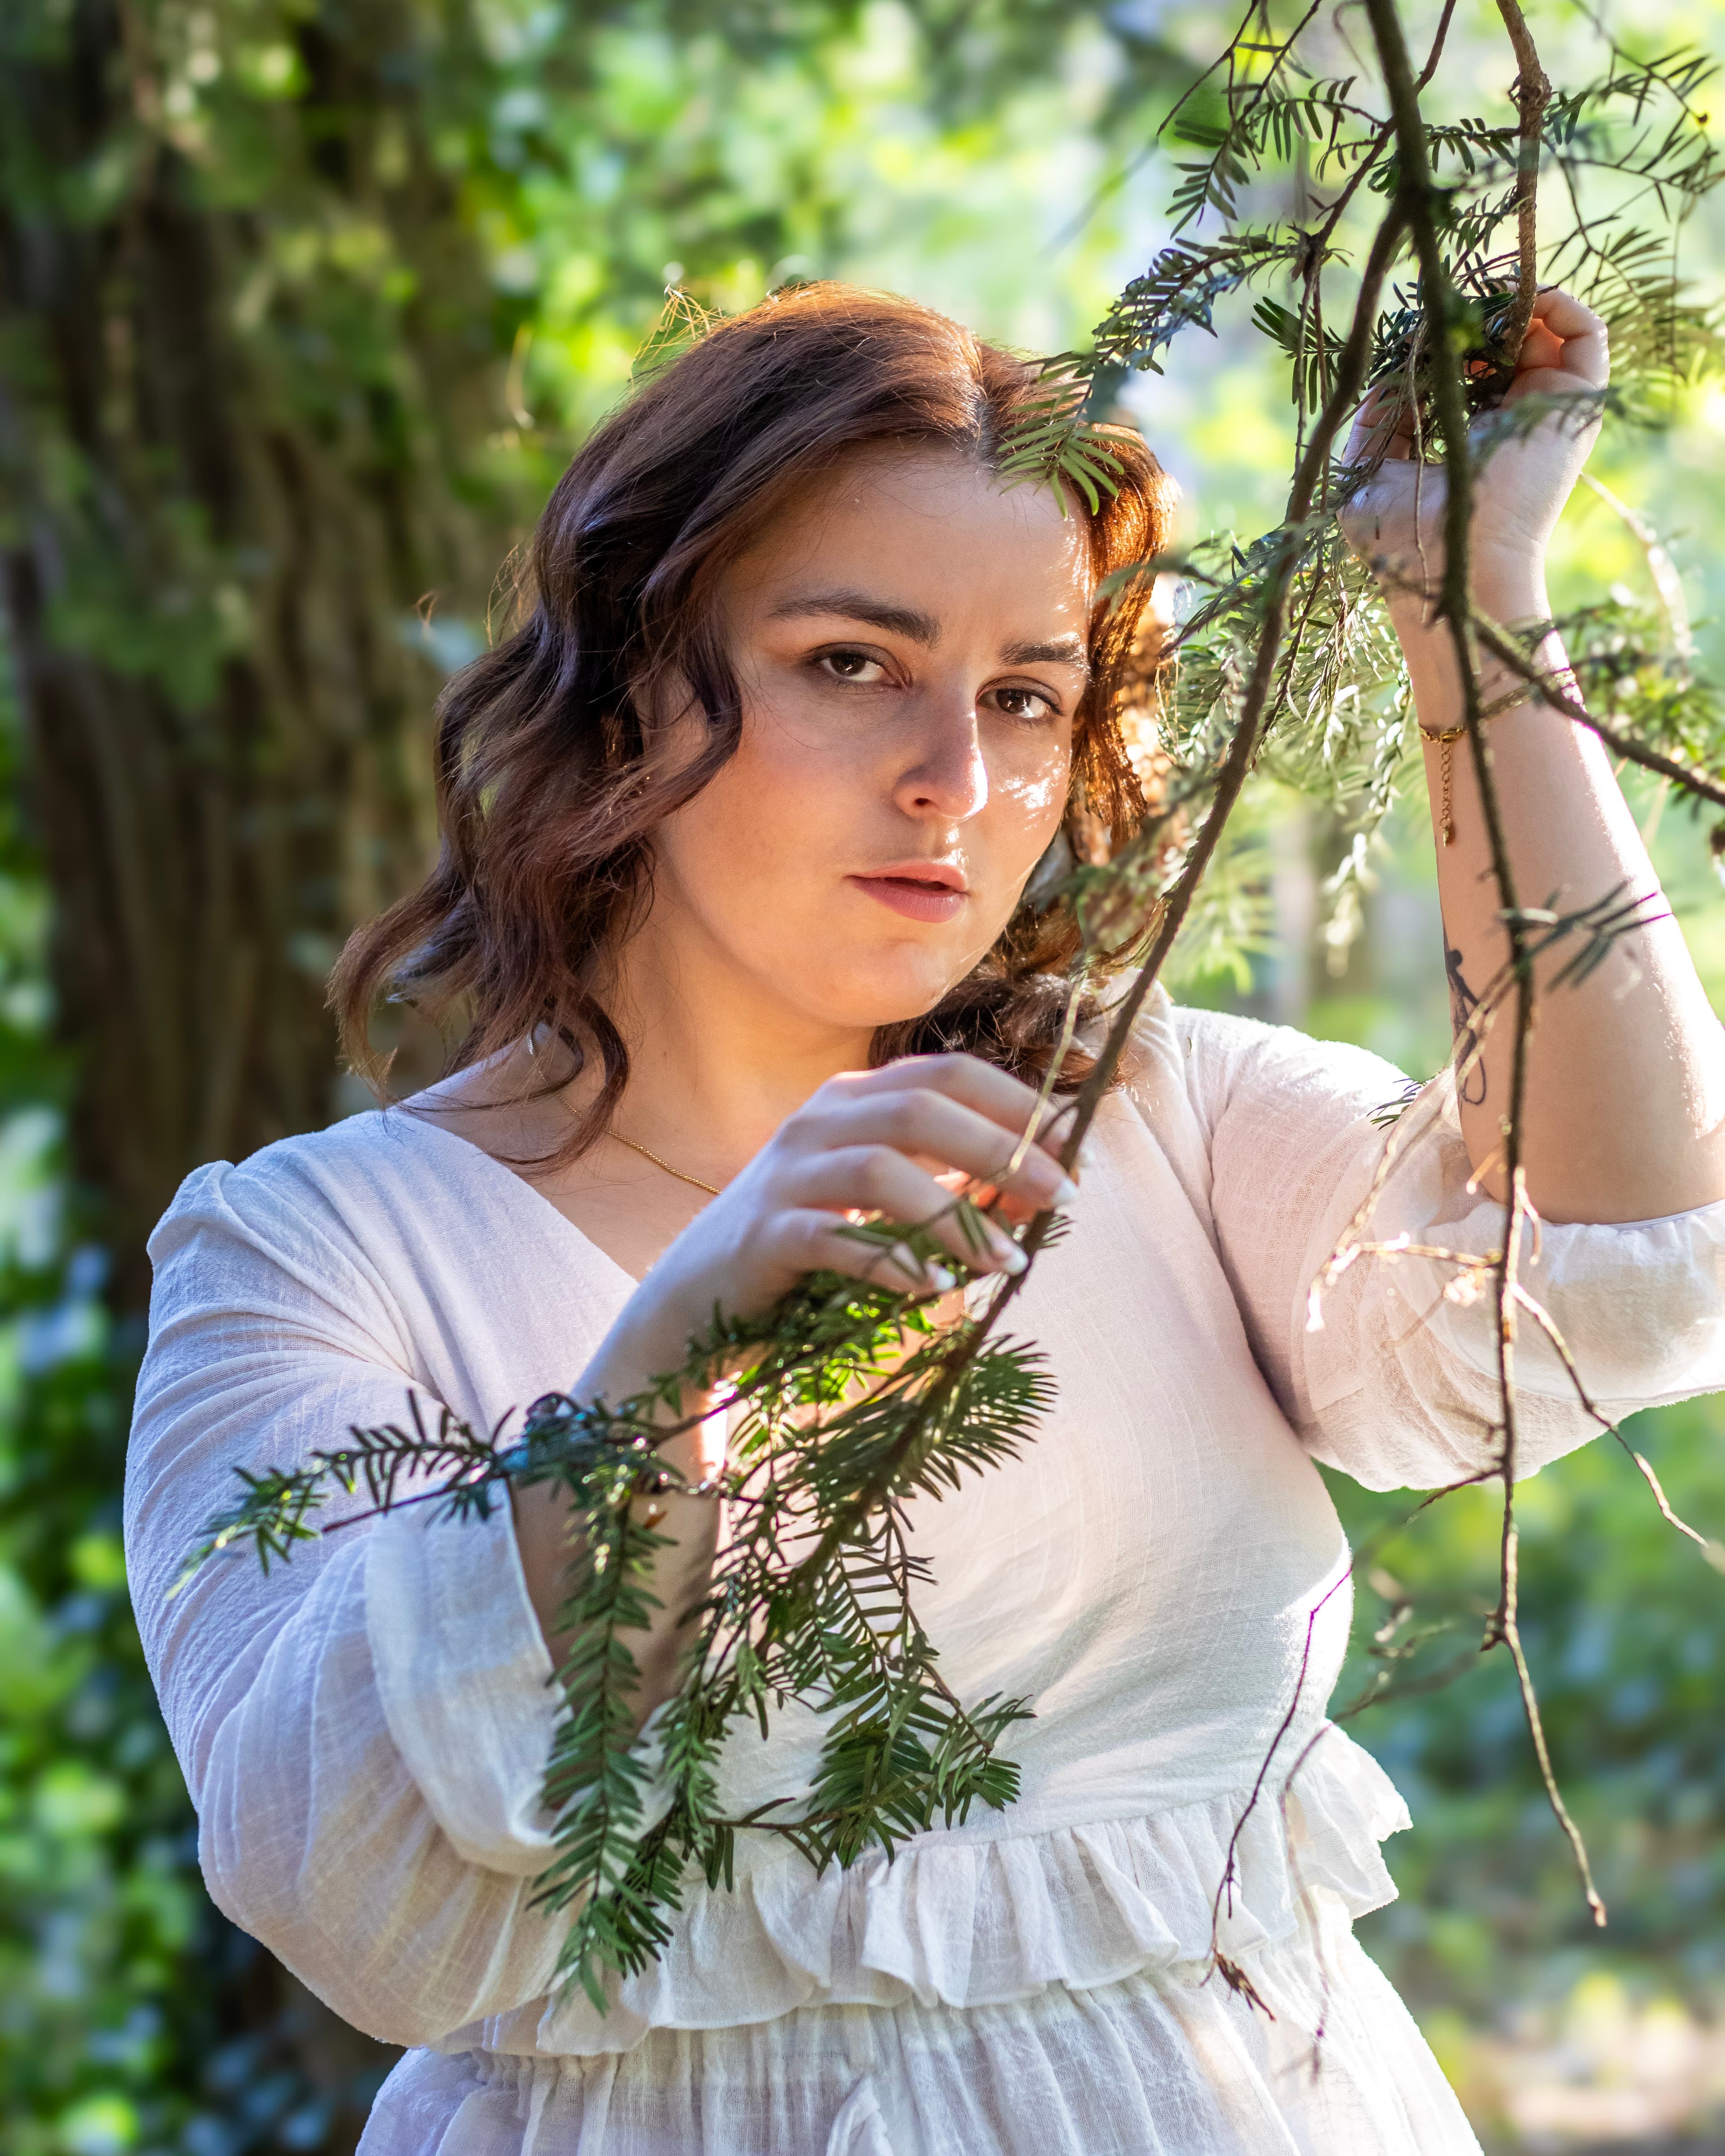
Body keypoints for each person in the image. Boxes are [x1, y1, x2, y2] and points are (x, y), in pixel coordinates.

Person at [126, 283, 1725, 2156]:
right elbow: (346, 1874)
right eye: (852, 663)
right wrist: (677, 1359)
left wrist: (1467, 600)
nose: (955, 785)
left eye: (1027, 697)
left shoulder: (1152, 1116)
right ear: (632, 675)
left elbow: (1630, 1255)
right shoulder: (313, 1254)